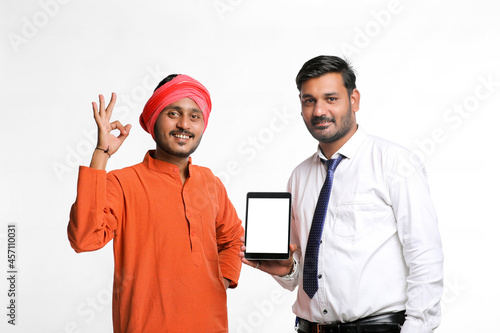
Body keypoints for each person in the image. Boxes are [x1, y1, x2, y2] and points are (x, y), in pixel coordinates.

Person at [240, 56, 444, 333]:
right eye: (309, 100)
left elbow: (424, 255)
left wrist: (417, 328)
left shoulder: (394, 163)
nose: (319, 110)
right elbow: (304, 271)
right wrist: (287, 269)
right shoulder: (299, 177)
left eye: (331, 98)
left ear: (354, 100)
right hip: (309, 327)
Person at [68, 74, 244, 332]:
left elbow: (232, 238)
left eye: (195, 116)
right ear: (153, 120)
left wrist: (222, 280)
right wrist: (101, 155)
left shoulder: (210, 182)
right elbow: (84, 239)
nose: (184, 124)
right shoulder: (122, 182)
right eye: (173, 113)